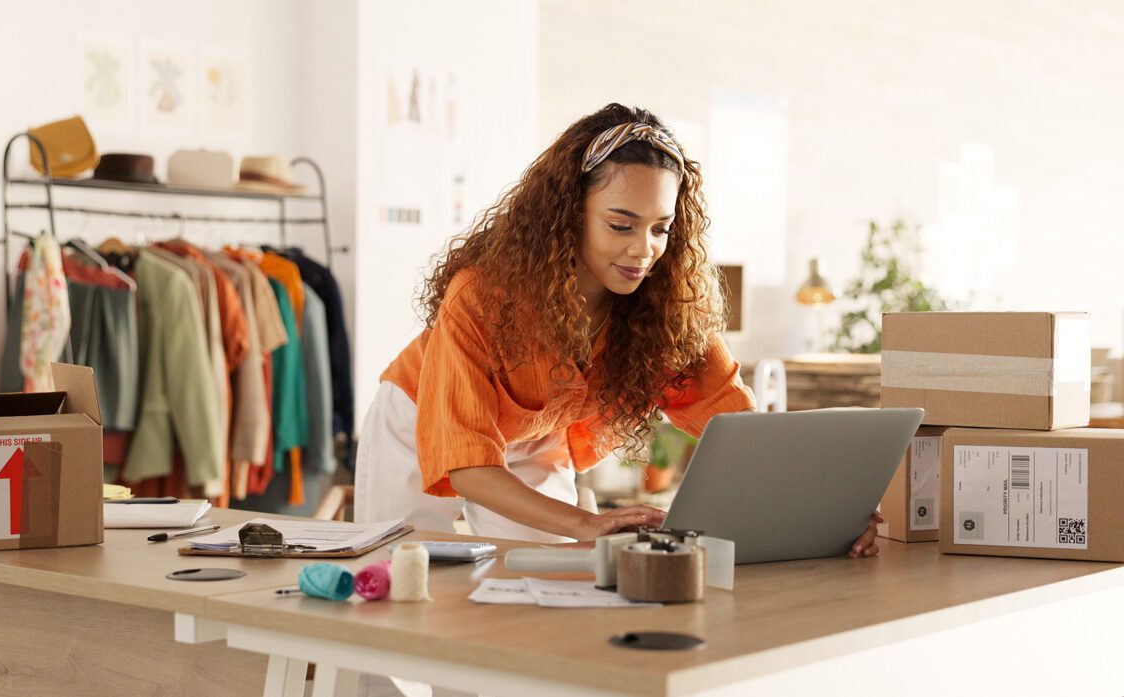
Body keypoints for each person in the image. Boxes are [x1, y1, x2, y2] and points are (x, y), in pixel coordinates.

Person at [355, 103, 882, 557]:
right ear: (568, 213)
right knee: (398, 572)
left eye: (661, 228)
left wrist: (828, 506)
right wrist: (587, 522)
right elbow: (468, 463)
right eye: (620, 225)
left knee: (547, 584)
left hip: (534, 438)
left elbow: (739, 428)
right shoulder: (481, 294)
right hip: (418, 418)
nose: (643, 250)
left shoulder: (667, 308)